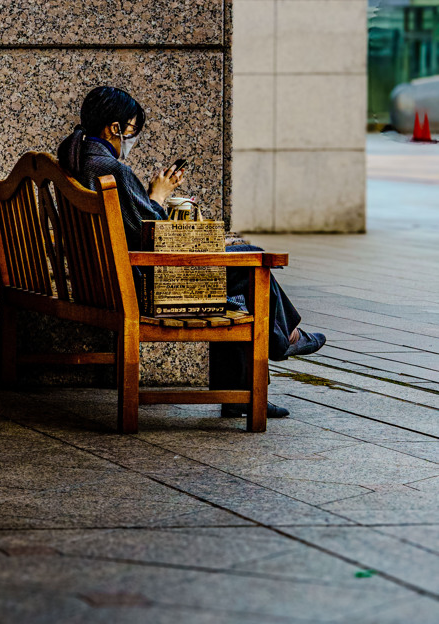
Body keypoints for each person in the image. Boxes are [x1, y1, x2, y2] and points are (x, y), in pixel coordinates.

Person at [58, 86, 326, 419]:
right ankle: (284, 340)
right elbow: (154, 234)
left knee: (235, 282)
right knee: (250, 260)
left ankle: (264, 363)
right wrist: (159, 195)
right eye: (131, 128)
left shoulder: (74, 160)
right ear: (114, 128)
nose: (132, 136)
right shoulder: (114, 171)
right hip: (140, 286)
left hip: (104, 283)